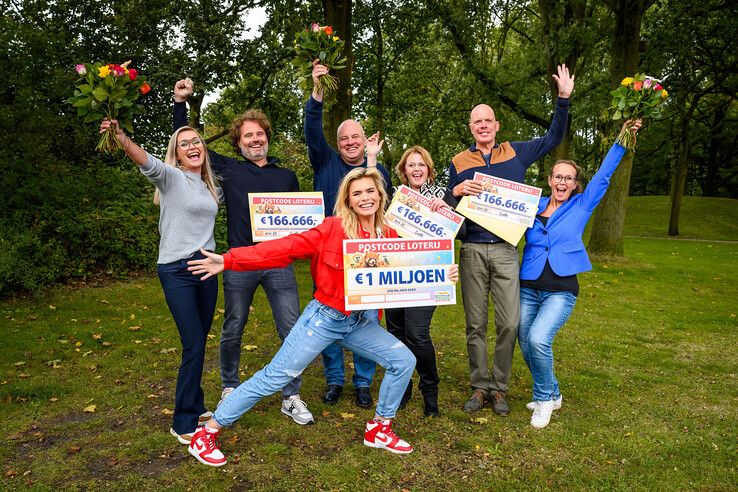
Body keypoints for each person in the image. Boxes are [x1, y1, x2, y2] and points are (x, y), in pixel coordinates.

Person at [185, 168, 460, 466]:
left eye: (370, 191)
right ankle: (208, 432)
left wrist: (444, 275)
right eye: (357, 193)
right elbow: (284, 248)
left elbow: (414, 267)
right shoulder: (332, 228)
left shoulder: (389, 233)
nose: (365, 198)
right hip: (323, 319)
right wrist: (228, 260)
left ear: (380, 195)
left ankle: (380, 428)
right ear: (348, 200)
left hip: (358, 322)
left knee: (403, 361)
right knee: (275, 376)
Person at [173, 79, 314, 426]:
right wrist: (181, 103)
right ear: (239, 143)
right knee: (233, 326)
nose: (255, 140)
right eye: (247, 136)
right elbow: (189, 141)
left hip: (278, 263)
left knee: (291, 329)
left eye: (259, 134)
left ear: (267, 137)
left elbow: (298, 224)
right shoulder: (230, 170)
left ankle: (291, 395)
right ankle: (229, 386)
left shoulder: (287, 176)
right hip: (238, 262)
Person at [448, 64, 575, 415]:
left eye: (488, 120)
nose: (483, 125)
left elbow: (553, 138)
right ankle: (479, 386)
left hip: (506, 250)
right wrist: (456, 189)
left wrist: (562, 99)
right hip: (472, 249)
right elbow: (445, 207)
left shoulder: (516, 152)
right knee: (475, 324)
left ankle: (499, 387)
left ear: (497, 126)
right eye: (477, 121)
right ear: (471, 128)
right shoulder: (458, 162)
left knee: (508, 323)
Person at [98, 118, 220, 445]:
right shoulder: (171, 178)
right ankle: (183, 422)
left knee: (200, 341)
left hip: (206, 267)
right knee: (193, 343)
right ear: (177, 154)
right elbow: (144, 160)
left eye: (197, 142)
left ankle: (195, 403)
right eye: (185, 143)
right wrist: (122, 137)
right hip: (177, 269)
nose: (193, 147)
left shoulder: (211, 185)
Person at [520, 120, 642, 429]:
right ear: (549, 179)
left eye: (569, 178)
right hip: (528, 286)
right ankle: (553, 392)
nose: (562, 182)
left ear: (575, 184)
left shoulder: (582, 204)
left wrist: (623, 138)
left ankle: (545, 399)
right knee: (524, 339)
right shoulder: (532, 205)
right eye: (558, 176)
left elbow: (604, 175)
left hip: (561, 290)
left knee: (538, 339)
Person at [304, 60, 394, 408]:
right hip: (328, 255)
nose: (350, 142)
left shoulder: (377, 169)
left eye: (356, 136)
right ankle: (334, 379)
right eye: (343, 138)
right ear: (337, 143)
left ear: (364, 139)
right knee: (328, 315)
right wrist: (317, 90)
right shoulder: (325, 161)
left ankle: (362, 381)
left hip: (368, 259)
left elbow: (382, 203)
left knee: (368, 318)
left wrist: (372, 160)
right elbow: (313, 130)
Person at [381, 145, 462, 417]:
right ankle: (403, 388)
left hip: (427, 274)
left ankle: (430, 388)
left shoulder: (442, 195)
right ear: (404, 170)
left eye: (421, 165)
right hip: (394, 273)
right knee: (396, 334)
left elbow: (460, 230)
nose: (416, 169)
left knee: (417, 334)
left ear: (429, 170)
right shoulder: (392, 195)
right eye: (411, 165)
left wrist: (446, 210)